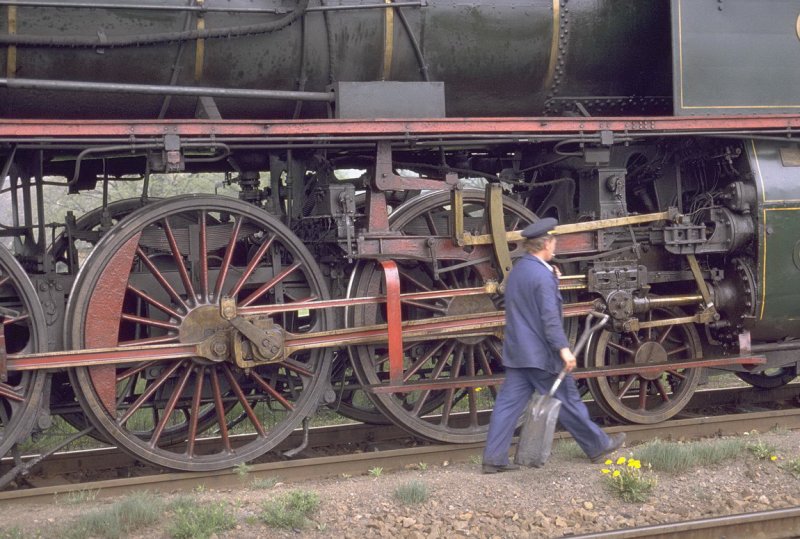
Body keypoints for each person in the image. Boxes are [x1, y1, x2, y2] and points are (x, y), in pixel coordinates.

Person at [482, 217, 625, 473]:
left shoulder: (518, 272)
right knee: (569, 401)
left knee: (507, 406)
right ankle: (598, 445)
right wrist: (564, 349)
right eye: (553, 241)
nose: (555, 245)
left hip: (517, 353)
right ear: (545, 243)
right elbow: (549, 318)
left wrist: (551, 278)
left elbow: (527, 303)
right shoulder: (542, 276)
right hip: (542, 356)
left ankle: (493, 458)